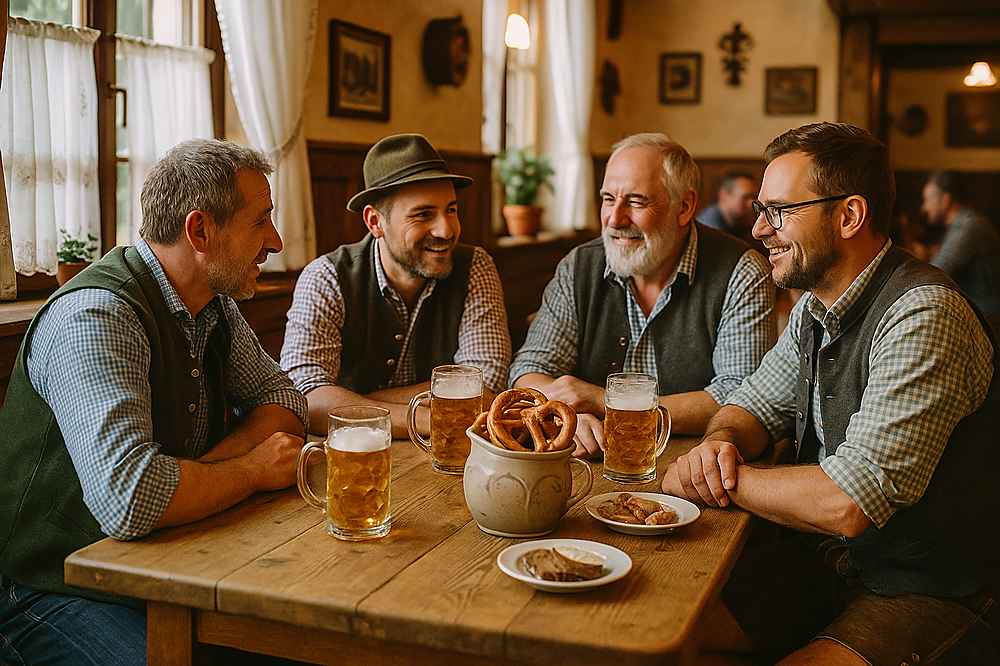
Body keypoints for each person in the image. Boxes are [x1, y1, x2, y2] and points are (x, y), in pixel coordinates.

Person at [663, 122, 999, 664]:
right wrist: (721, 440)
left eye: (780, 211)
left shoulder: (924, 314)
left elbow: (847, 503)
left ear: (848, 216)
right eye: (759, 210)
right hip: (825, 568)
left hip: (928, 590)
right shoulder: (813, 309)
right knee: (672, 637)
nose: (759, 231)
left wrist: (721, 479)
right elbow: (751, 404)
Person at [0, 139, 308, 665]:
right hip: (46, 590)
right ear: (200, 231)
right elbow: (132, 497)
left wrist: (197, 474)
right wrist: (253, 469)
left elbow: (285, 400)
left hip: (170, 563)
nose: (275, 241)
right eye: (261, 222)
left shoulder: (214, 304)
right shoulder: (97, 317)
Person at [510, 133, 775, 456]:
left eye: (636, 202)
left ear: (685, 207)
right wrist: (566, 412)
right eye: (608, 199)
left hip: (692, 463)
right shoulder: (580, 266)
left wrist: (609, 402)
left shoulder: (742, 271)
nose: (615, 219)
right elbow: (529, 368)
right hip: (589, 465)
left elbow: (740, 395)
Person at [281, 134, 511, 438]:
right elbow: (307, 399)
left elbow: (485, 388)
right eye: (423, 214)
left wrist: (359, 400)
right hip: (357, 457)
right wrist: (426, 419)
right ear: (375, 222)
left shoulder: (475, 267)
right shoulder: (325, 277)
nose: (446, 229)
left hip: (449, 459)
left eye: (451, 210)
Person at [921, 170, 1000, 329]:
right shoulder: (964, 224)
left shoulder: (968, 226)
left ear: (945, 199)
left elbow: (938, 271)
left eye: (928, 200)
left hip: (987, 318)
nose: (924, 207)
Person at [698, 170, 757, 240]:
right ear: (724, 195)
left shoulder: (738, 221)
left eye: (754, 197)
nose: (752, 203)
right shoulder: (709, 225)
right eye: (746, 197)